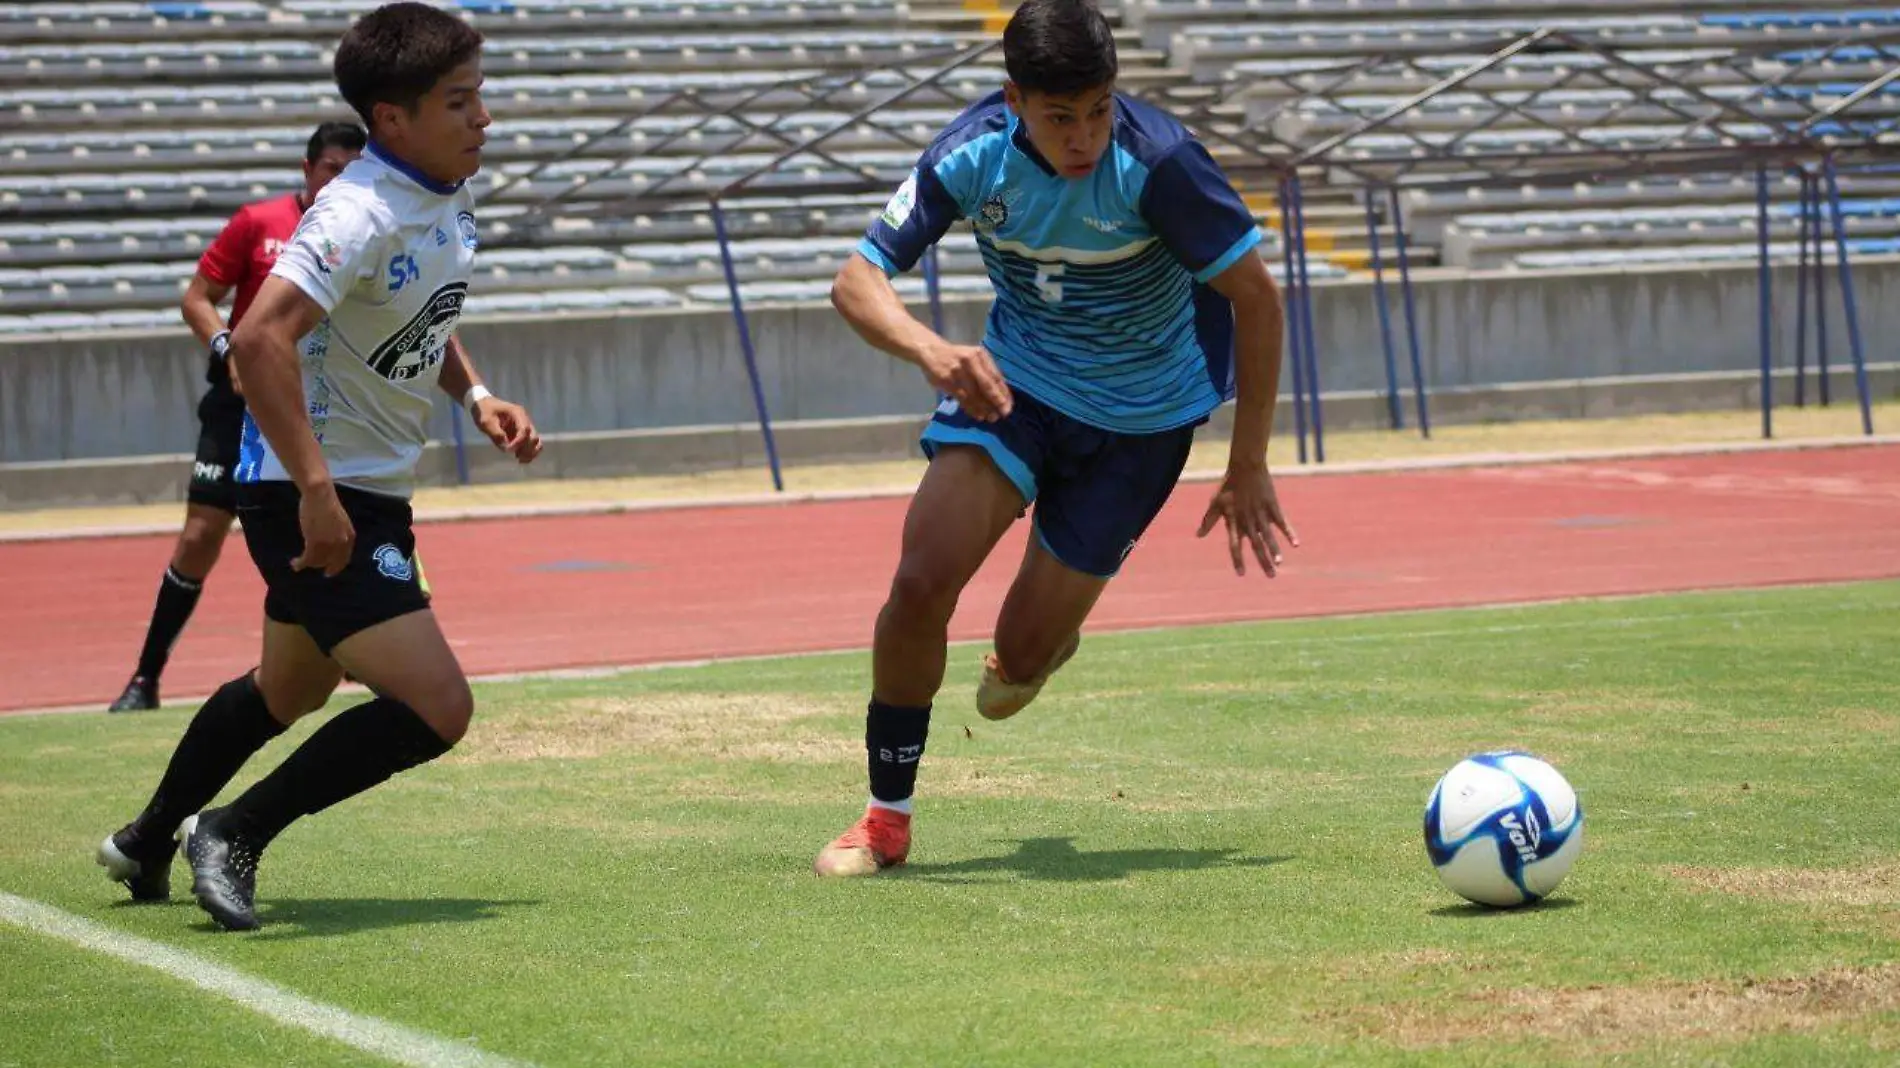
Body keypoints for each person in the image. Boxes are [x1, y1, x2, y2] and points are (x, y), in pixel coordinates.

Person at [812, 0, 1298, 877]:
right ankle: (886, 820)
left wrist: (1248, 464)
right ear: (1015, 102)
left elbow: (1258, 300)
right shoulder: (973, 152)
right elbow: (856, 279)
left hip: (1142, 423)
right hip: (1016, 386)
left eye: (1100, 110)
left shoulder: (1161, 165)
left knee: (1009, 682)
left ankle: (1042, 637)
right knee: (921, 579)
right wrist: (932, 348)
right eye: (1060, 116)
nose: (1083, 137)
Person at [96, 0, 542, 931]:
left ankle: (145, 838)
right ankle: (233, 830)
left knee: (287, 690)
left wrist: (476, 397)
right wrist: (315, 490)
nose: (484, 118)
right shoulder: (357, 210)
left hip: (361, 489)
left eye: (481, 96)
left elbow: (420, 319)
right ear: (392, 119)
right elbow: (259, 339)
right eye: (460, 101)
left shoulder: (441, 191)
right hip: (318, 494)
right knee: (437, 706)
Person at [107, 121, 368, 713]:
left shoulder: (363, 233)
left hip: (321, 406)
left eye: (352, 170)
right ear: (307, 170)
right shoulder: (259, 222)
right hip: (241, 403)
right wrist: (226, 347)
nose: (339, 180)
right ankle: (145, 679)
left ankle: (343, 656)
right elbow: (196, 298)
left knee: (325, 531)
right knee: (201, 535)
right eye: (331, 167)